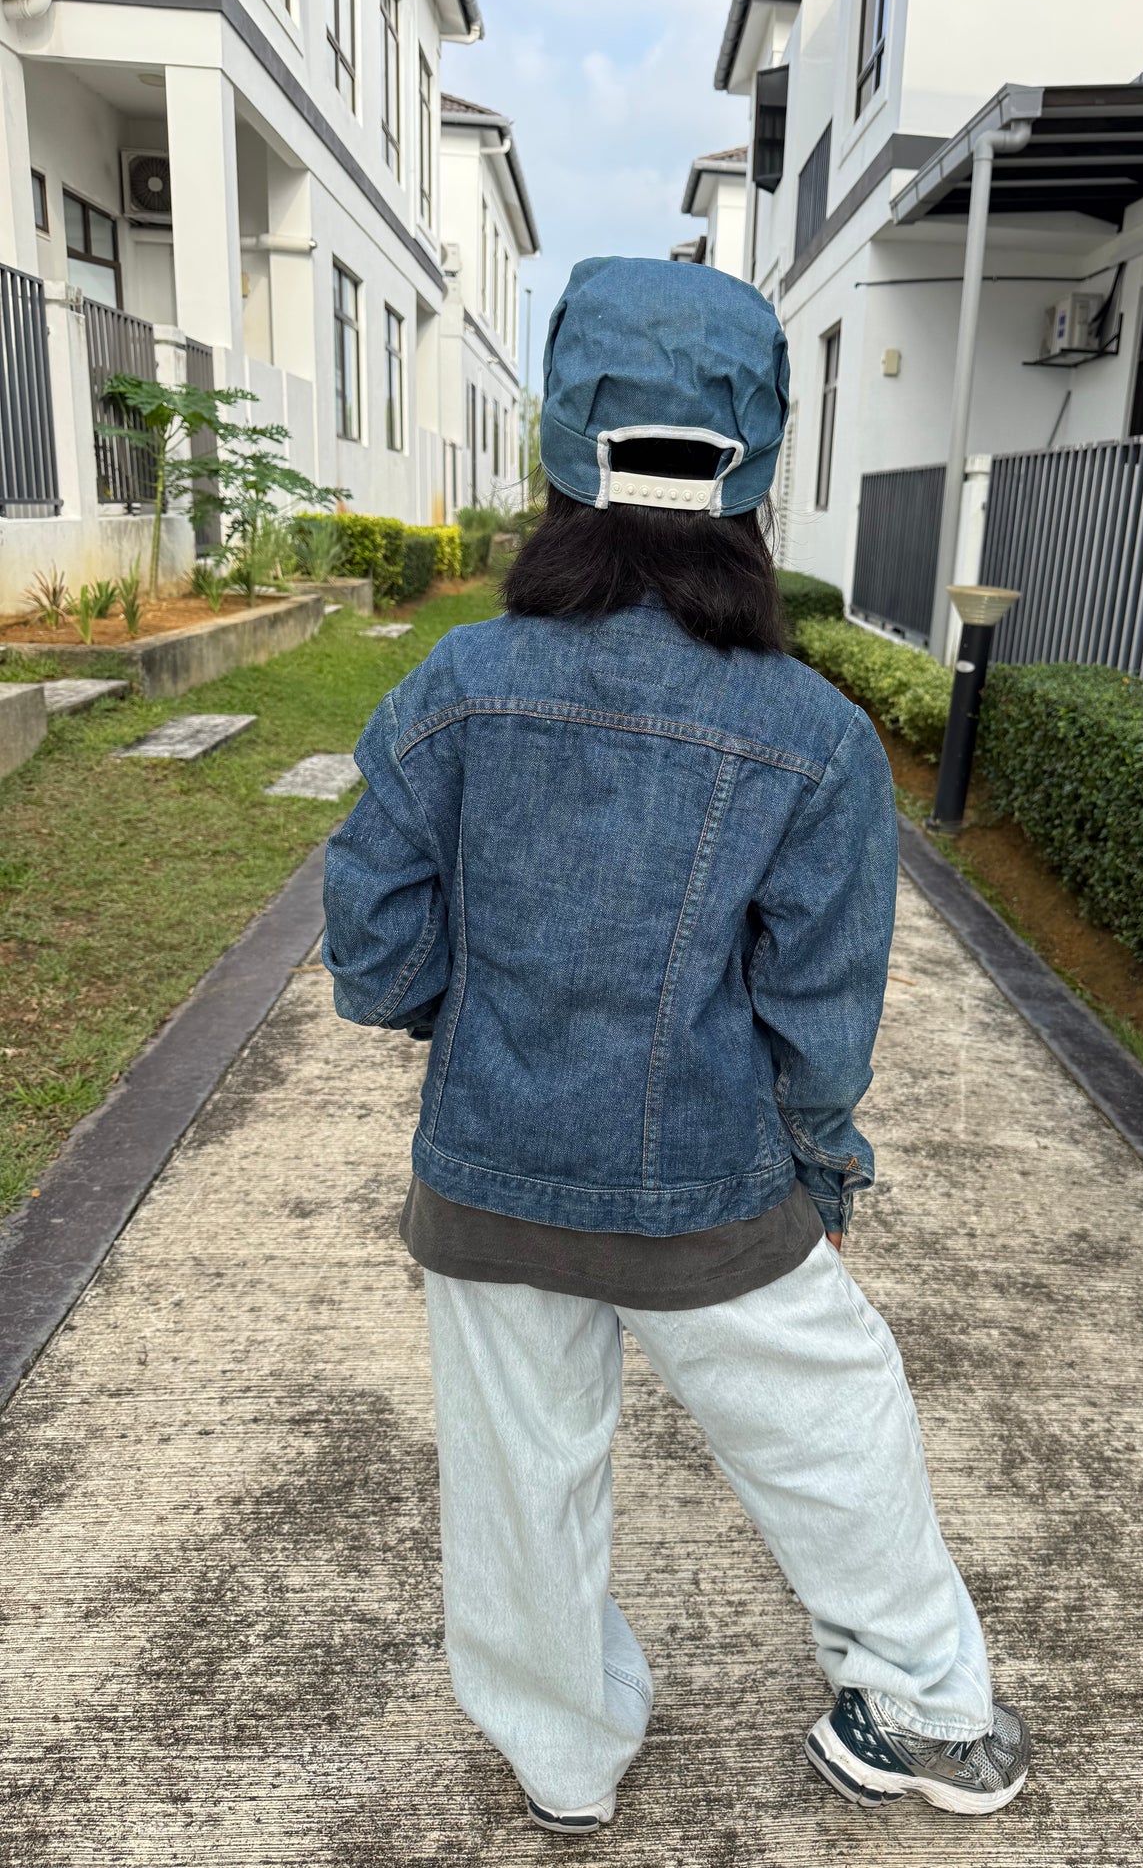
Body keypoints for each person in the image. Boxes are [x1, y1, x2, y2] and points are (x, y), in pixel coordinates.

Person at [322, 257, 1029, 1835]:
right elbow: (820, 1008)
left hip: (489, 1177)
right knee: (837, 1431)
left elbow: (370, 951)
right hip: (713, 1186)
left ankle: (565, 1763)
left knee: (521, 1484)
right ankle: (929, 1718)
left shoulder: (456, 684)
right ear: (755, 470)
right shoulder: (813, 732)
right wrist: (818, 1159)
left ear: (562, 455)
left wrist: (478, 1021)